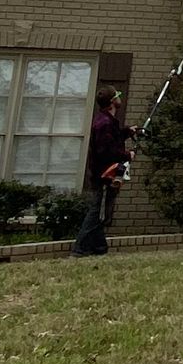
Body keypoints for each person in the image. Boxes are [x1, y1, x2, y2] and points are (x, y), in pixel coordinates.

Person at [73, 85, 134, 257]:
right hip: (103, 175)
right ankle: (80, 249)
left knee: (102, 211)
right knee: (97, 211)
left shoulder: (107, 121)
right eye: (117, 96)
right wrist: (127, 154)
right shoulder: (104, 124)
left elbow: (112, 139)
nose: (119, 98)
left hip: (106, 173)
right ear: (112, 102)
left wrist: (127, 132)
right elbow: (106, 151)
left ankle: (99, 248)